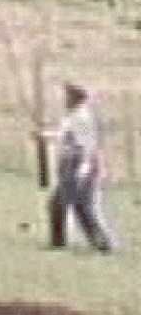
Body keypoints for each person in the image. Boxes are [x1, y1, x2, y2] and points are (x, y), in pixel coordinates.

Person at [48, 83, 116, 252]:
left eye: (68, 96)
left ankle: (102, 243)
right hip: (72, 165)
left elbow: (87, 147)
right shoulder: (74, 116)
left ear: (75, 98)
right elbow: (64, 136)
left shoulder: (82, 118)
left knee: (77, 206)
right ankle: (96, 243)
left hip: (79, 165)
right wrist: (45, 136)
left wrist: (82, 171)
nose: (65, 99)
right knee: (65, 204)